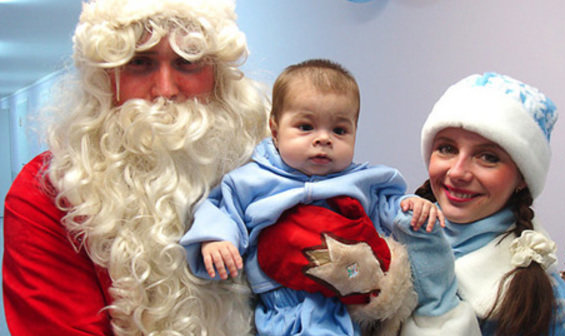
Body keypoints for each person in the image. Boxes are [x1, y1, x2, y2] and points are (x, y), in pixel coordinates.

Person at [2, 0, 268, 335]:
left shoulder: (264, 166)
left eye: (187, 62)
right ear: (103, 79)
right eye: (139, 63)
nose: (165, 91)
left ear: (217, 76)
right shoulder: (46, 192)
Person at [181, 59, 452, 335]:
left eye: (339, 130)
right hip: (282, 303)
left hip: (347, 303)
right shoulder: (252, 179)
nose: (324, 139)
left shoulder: (364, 181)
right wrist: (217, 238)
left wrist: (412, 205)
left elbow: (391, 209)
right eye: (306, 127)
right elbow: (220, 208)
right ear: (275, 131)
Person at [398, 72, 565, 335]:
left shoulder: (541, 299)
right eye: (447, 148)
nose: (458, 172)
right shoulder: (391, 231)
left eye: (488, 157)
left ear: (522, 178)